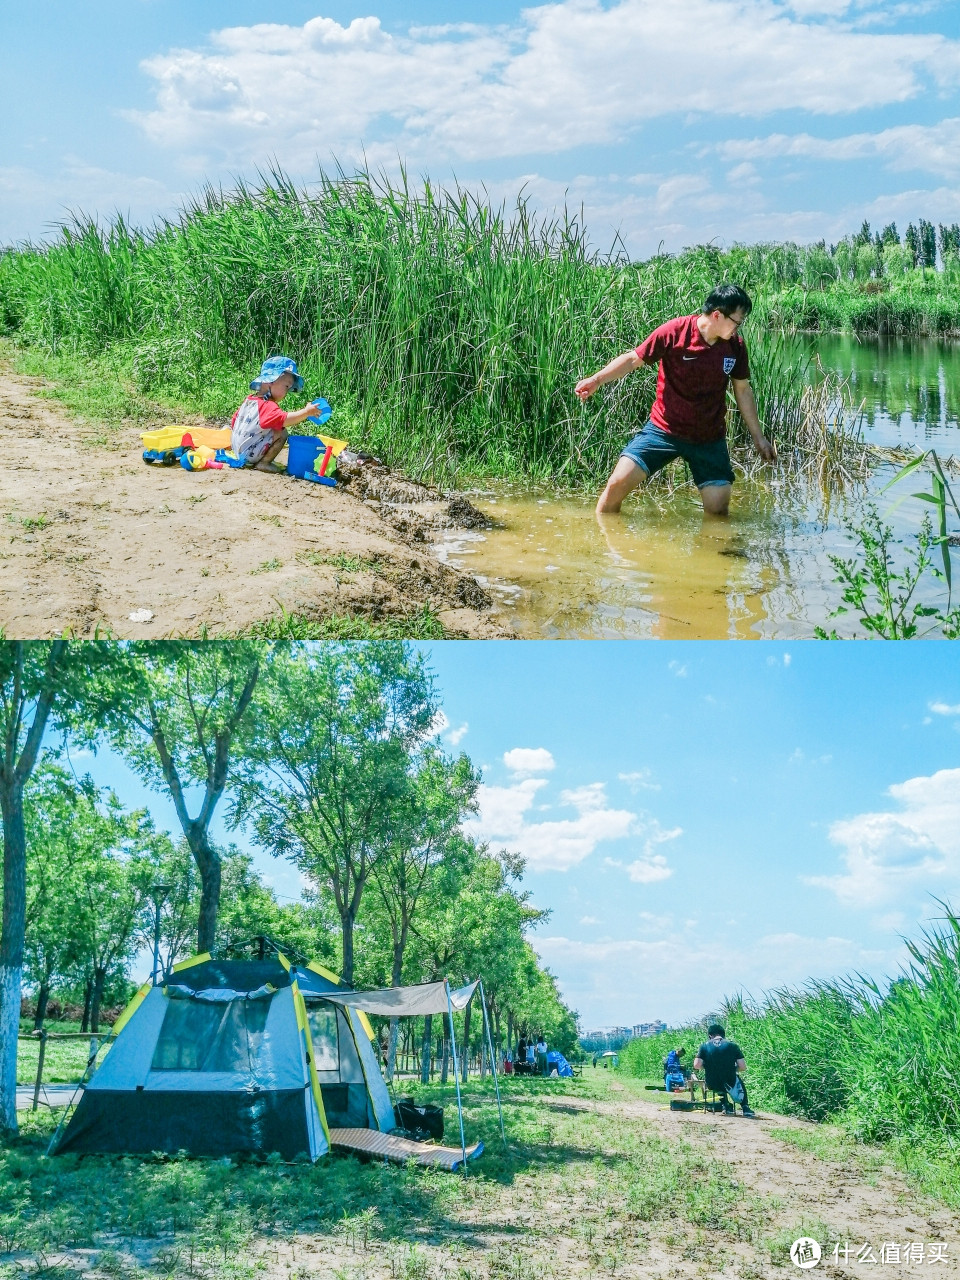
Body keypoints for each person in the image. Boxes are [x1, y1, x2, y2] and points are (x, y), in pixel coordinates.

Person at [575, 284, 775, 517]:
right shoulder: (674, 332)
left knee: (718, 511)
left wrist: (759, 438)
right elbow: (633, 359)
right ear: (717, 315)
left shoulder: (735, 346)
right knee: (616, 485)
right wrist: (597, 380)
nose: (739, 328)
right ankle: (603, 542)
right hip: (663, 430)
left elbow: (742, 390)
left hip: (708, 438)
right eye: (737, 321)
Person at [231, 355, 322, 472]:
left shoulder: (249, 400)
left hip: (237, 451)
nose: (287, 392)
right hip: (250, 455)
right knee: (282, 432)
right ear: (270, 382)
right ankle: (264, 463)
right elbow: (285, 419)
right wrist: (306, 412)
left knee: (269, 428)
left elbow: (234, 421)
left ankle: (252, 454)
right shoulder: (267, 405)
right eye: (286, 386)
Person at [693, 1023, 755, 1117]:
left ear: (710, 1035)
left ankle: (725, 1106)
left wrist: (706, 1067)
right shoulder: (732, 1045)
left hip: (712, 1083)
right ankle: (745, 1107)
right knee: (737, 1079)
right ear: (723, 1034)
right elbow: (743, 1067)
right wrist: (733, 1069)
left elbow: (696, 1065)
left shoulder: (704, 1046)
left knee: (717, 1079)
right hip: (730, 1081)